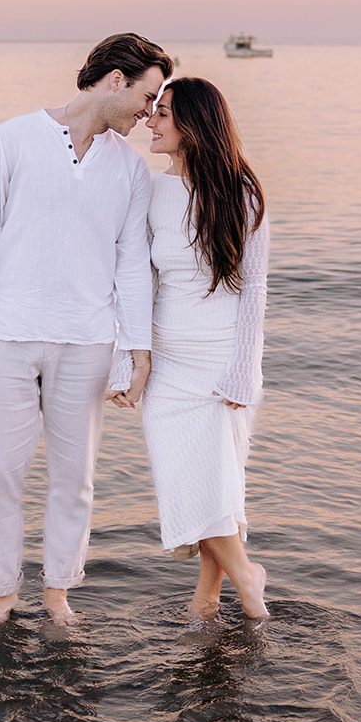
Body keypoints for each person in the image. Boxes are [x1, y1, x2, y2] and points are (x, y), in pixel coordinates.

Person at [0, 33, 170, 626]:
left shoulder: (130, 168)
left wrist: (139, 351)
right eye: (147, 96)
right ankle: (2, 596)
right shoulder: (13, 138)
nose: (149, 112)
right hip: (4, 335)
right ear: (116, 80)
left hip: (88, 341)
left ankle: (57, 593)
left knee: (76, 479)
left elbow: (132, 264)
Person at [109, 77, 271, 622]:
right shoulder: (152, 192)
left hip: (221, 359)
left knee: (215, 480)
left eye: (163, 113)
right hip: (168, 361)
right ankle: (240, 578)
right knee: (188, 478)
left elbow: (254, 288)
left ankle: (218, 591)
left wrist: (244, 370)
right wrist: (129, 358)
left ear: (195, 124)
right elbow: (139, 281)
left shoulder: (241, 193)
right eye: (152, 110)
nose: (151, 121)